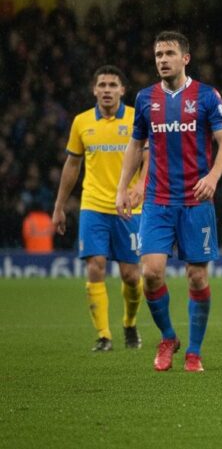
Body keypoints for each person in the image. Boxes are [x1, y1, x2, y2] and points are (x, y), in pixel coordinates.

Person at [116, 31, 222, 373]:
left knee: (197, 277)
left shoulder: (208, 96)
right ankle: (168, 338)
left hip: (195, 202)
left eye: (169, 53)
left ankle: (194, 351)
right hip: (157, 200)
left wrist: (212, 177)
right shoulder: (144, 98)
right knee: (150, 273)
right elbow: (136, 146)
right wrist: (123, 188)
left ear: (185, 58)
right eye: (157, 54)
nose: (162, 59)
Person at [53, 65, 147, 351]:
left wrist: (140, 186)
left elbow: (149, 156)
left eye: (112, 85)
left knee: (131, 275)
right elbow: (72, 165)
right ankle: (104, 335)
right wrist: (59, 206)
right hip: (92, 205)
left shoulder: (135, 117)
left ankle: (130, 324)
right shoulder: (82, 122)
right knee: (96, 266)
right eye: (102, 85)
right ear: (94, 90)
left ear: (122, 90)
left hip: (129, 207)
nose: (107, 90)